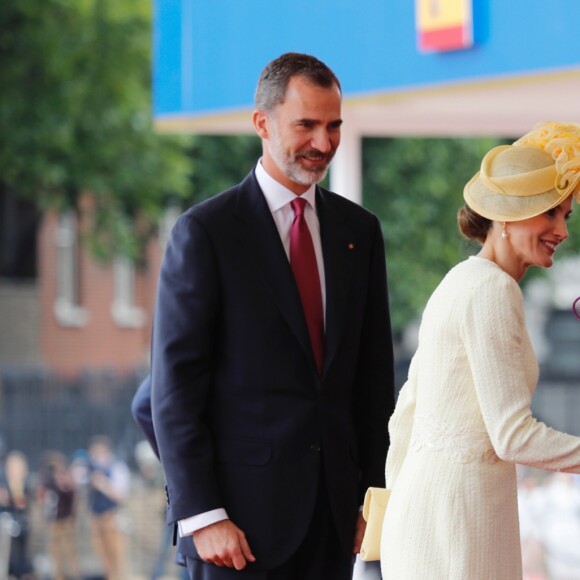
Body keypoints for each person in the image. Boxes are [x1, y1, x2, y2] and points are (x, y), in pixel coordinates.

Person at [150, 52, 395, 579]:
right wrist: (203, 514)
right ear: (262, 123)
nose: (324, 143)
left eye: (333, 126)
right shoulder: (206, 233)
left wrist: (371, 500)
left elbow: (374, 384)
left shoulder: (360, 232)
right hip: (234, 534)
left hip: (332, 525)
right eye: (306, 125)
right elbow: (173, 389)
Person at [380, 121, 580, 579]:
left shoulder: (461, 281)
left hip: (434, 516)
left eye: (565, 216)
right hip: (459, 522)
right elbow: (513, 436)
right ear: (508, 217)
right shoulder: (492, 290)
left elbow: (404, 415)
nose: (562, 231)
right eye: (550, 213)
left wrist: (402, 509)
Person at [86, 435, 130, 580]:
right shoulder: (90, 469)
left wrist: (102, 484)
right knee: (103, 555)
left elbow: (120, 494)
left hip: (111, 516)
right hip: (96, 517)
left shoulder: (117, 467)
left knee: (116, 554)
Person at [38, 451, 80, 580]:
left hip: (66, 520)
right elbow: (42, 498)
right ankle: (58, 576)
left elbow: (72, 495)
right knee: (55, 552)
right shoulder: (47, 481)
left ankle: (73, 575)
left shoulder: (65, 477)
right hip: (53, 520)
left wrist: (62, 480)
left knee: (70, 551)